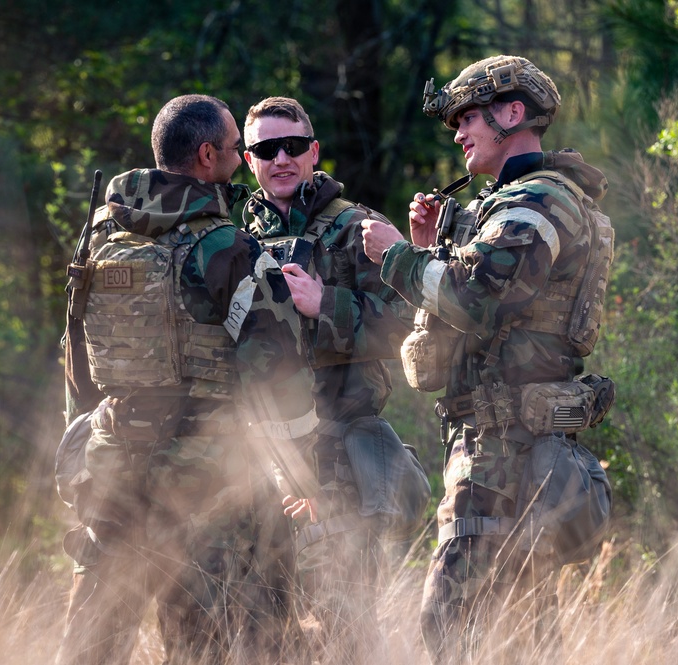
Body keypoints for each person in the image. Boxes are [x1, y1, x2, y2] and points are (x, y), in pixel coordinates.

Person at [362, 55, 614, 660]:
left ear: (512, 113)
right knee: (519, 631)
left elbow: (480, 301)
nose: (458, 133)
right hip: (500, 445)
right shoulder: (513, 203)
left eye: (469, 116)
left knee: (452, 622)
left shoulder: (536, 202)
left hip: (503, 455)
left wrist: (399, 257)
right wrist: (429, 249)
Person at [55, 93, 319, 665]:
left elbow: (77, 358)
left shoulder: (103, 241)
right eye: (234, 149)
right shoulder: (229, 248)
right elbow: (277, 370)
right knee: (199, 645)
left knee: (92, 642)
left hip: (114, 462)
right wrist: (302, 468)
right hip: (204, 480)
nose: (239, 157)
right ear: (207, 156)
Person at [240, 96, 418, 663]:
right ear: (250, 160)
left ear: (314, 152)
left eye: (294, 146)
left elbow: (411, 323)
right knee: (262, 624)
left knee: (344, 620)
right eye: (267, 150)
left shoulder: (358, 228)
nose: (282, 159)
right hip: (259, 459)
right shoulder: (232, 236)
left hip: (338, 453)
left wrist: (329, 305)